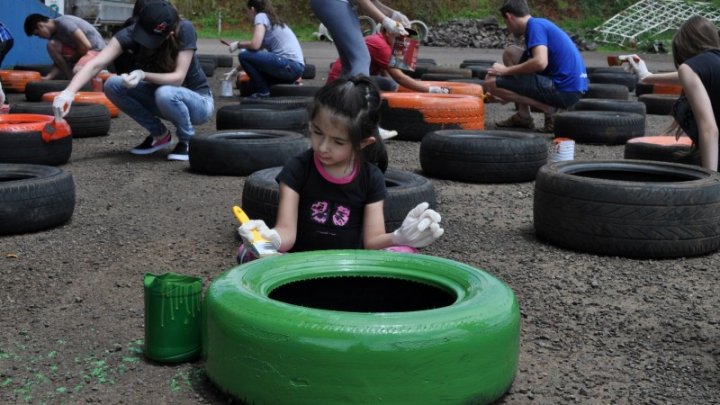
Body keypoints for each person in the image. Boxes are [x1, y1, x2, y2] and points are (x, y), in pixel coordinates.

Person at [236, 76, 444, 263]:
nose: (323, 146)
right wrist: (271, 238)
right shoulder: (297, 168)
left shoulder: (371, 178)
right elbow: (287, 234)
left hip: (349, 266)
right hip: (298, 264)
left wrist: (399, 236)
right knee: (253, 253)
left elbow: (372, 241)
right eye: (317, 132)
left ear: (362, 143)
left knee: (406, 253)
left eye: (338, 141)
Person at [51, 0, 213, 161]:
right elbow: (96, 64)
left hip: (198, 103)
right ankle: (160, 135)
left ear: (170, 33)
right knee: (113, 85)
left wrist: (143, 75)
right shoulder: (129, 33)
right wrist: (68, 93)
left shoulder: (184, 29)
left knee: (166, 92)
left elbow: (177, 79)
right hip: (161, 98)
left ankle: (187, 141)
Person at [622, 15, 720, 171]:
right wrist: (646, 76)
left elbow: (709, 129)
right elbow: (690, 77)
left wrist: (710, 181)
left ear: (683, 47)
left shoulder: (690, 69)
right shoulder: (711, 65)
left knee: (682, 106)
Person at [482, 0, 588, 133]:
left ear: (509, 17)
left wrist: (505, 72)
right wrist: (507, 93)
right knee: (510, 53)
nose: (508, 28)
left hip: (565, 90)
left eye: (506, 23)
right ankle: (523, 116)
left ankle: (550, 109)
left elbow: (540, 62)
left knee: (491, 82)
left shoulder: (534, 27)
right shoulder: (539, 23)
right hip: (572, 86)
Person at [326, 26, 449, 94]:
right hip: (341, 82)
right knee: (391, 84)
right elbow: (399, 77)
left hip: (347, 78)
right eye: (399, 36)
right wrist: (431, 90)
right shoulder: (380, 45)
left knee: (389, 83)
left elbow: (386, 71)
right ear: (387, 32)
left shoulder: (383, 41)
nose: (403, 40)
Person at [311, 0, 410, 79]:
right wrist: (385, 20)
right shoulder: (379, 43)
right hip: (337, 3)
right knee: (361, 58)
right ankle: (358, 100)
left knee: (349, 65)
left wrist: (394, 14)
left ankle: (338, 100)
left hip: (337, 4)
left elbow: (373, 1)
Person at [226, 0, 305, 98]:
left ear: (252, 9)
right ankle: (290, 86)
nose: (247, 15)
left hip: (289, 65)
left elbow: (255, 45)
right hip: (296, 69)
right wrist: (236, 70)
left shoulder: (261, 16)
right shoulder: (271, 20)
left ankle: (263, 92)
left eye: (247, 12)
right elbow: (255, 54)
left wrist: (238, 44)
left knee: (243, 55)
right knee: (252, 83)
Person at [24, 13, 106, 80]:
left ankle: (103, 74)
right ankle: (71, 79)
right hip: (84, 52)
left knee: (78, 71)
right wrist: (47, 77)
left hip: (98, 51)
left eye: (37, 34)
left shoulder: (64, 23)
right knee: (51, 45)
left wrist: (72, 59)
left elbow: (86, 46)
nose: (40, 37)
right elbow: (60, 62)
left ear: (40, 25)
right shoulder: (54, 36)